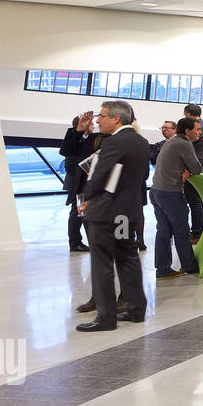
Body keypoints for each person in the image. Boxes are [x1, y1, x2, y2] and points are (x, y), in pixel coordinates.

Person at [76, 100, 151, 332]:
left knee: (102, 264)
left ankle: (106, 318)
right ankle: (137, 309)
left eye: (102, 116)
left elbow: (99, 175)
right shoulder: (141, 142)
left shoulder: (114, 142)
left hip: (106, 214)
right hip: (127, 213)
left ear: (117, 118)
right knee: (127, 258)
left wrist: (86, 197)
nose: (98, 120)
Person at [151, 117, 203, 280]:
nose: (200, 132)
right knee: (181, 230)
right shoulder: (184, 143)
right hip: (170, 193)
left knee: (164, 230)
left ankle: (163, 268)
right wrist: (189, 168)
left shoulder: (172, 142)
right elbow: (197, 167)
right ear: (188, 131)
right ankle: (190, 266)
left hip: (156, 191)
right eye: (197, 129)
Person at [60, 111, 99, 254]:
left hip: (83, 184)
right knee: (79, 213)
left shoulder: (91, 140)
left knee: (78, 213)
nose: (94, 126)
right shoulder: (76, 139)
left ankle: (76, 242)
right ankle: (75, 242)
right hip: (78, 185)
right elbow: (69, 163)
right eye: (92, 124)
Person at [183, 103, 203, 244]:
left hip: (193, 167)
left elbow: (187, 148)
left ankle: (196, 233)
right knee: (200, 201)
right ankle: (201, 231)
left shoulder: (195, 129)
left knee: (195, 202)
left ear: (188, 114)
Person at [129, 120, 150, 251]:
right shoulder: (143, 142)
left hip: (126, 185)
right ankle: (140, 241)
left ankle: (128, 240)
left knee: (124, 214)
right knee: (139, 212)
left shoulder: (119, 142)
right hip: (140, 182)